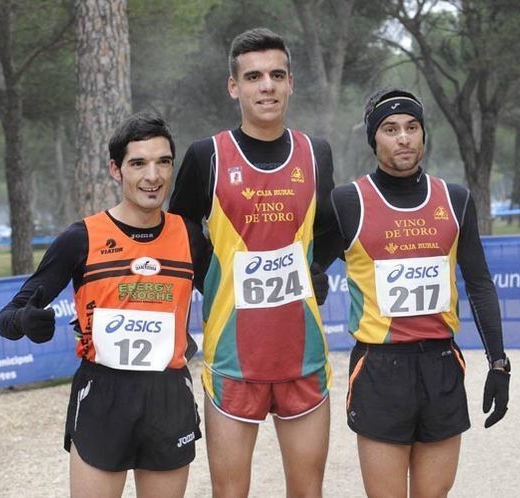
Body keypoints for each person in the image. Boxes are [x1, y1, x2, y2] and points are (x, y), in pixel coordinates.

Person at [168, 27, 341, 498]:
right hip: (232, 356)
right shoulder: (208, 155)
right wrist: (211, 275)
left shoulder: (316, 152)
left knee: (308, 491)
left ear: (291, 83)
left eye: (276, 75)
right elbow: (179, 225)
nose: (266, 85)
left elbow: (330, 225)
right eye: (254, 76)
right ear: (234, 86)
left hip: (302, 354)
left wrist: (316, 268)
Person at [0, 114, 209, 498]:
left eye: (163, 162)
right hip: (104, 394)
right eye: (138, 163)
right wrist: (27, 321)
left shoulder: (189, 236)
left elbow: (227, 300)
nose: (153, 176)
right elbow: (8, 318)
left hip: (168, 395)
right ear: (116, 169)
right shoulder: (82, 237)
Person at [330, 88, 511, 497]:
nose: (403, 138)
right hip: (379, 367)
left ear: (424, 134)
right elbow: (307, 270)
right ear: (374, 139)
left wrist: (498, 363)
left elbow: (479, 283)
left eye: (412, 127)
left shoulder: (455, 199)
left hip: (442, 364)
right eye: (390, 129)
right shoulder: (347, 201)